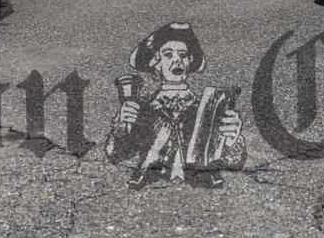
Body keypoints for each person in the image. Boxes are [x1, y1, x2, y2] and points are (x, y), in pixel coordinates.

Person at [105, 22, 245, 187]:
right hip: (151, 190)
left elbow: (234, 162)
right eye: (168, 54)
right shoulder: (143, 108)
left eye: (182, 55)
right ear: (155, 63)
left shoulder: (208, 108)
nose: (177, 60)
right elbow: (115, 155)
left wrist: (232, 139)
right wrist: (122, 126)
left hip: (203, 192)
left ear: (189, 62)